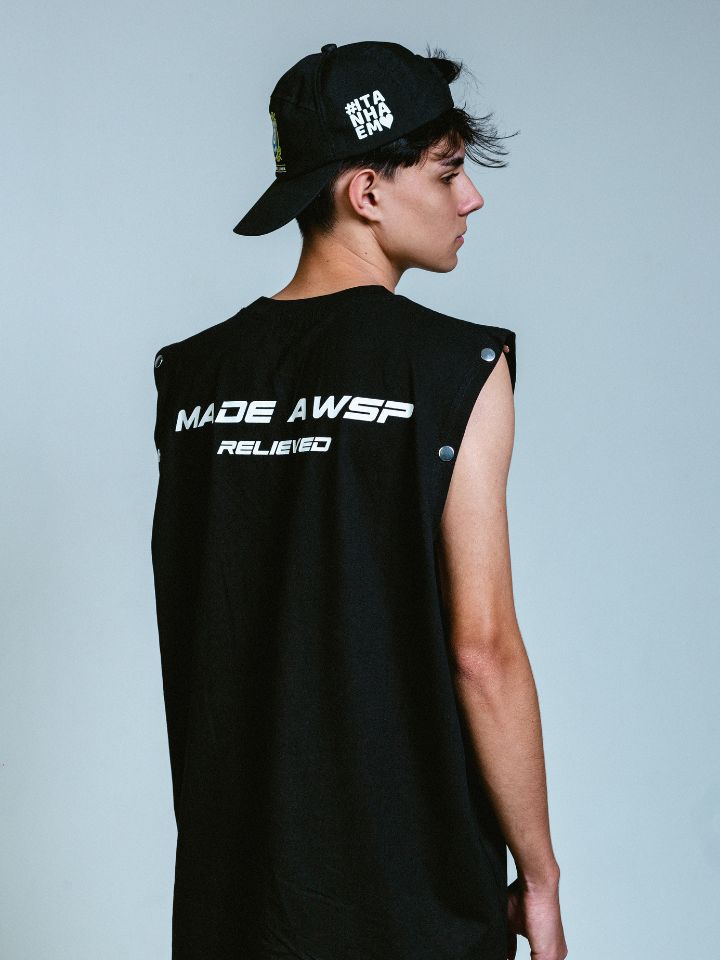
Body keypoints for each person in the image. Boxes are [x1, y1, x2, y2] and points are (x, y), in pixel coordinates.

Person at [151, 39, 568, 960]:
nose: (471, 198)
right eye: (447, 172)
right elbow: (483, 651)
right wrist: (539, 876)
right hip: (411, 900)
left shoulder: (190, 377)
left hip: (233, 901)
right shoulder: (458, 368)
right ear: (367, 192)